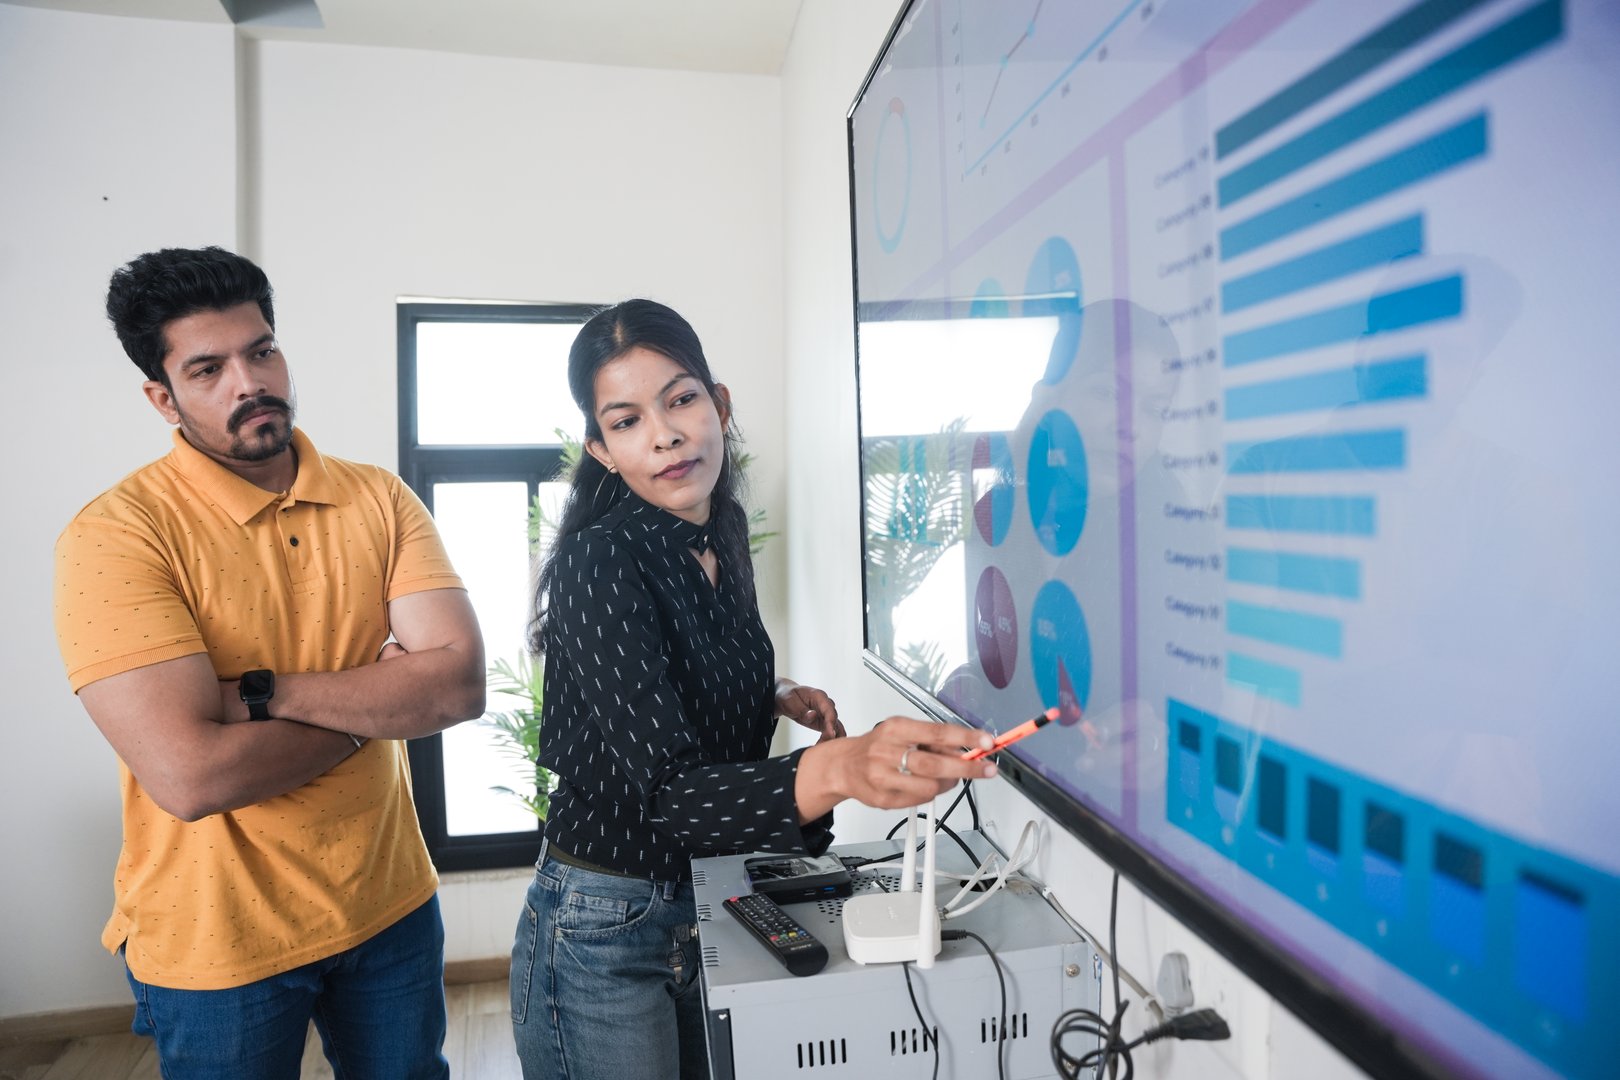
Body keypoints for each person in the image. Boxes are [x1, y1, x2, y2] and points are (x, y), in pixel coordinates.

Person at [509, 299, 998, 1080]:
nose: (666, 434)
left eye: (681, 399)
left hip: (707, 897)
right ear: (602, 451)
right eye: (628, 421)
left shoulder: (721, 528)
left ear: (719, 404)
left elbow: (676, 662)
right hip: (604, 923)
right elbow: (669, 791)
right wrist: (843, 769)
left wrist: (775, 689)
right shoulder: (599, 561)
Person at [52, 247, 486, 1079]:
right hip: (215, 941)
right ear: (162, 396)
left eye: (262, 350)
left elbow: (457, 685)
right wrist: (378, 704)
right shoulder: (116, 536)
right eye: (208, 368)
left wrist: (263, 694)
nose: (248, 382)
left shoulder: (378, 498)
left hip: (388, 904)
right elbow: (190, 777)